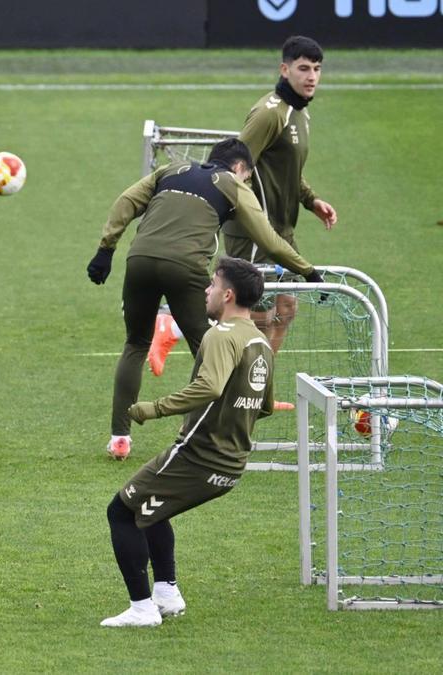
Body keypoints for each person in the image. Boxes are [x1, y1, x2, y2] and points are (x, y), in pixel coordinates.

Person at [87, 139, 322, 461]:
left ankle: (119, 437)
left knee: (135, 344)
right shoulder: (233, 185)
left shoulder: (169, 170)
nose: (248, 183)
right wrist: (307, 271)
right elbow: (268, 237)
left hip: (139, 260)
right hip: (186, 269)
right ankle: (214, 434)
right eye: (248, 177)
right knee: (211, 347)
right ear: (240, 168)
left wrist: (105, 249)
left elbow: (126, 201)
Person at [100, 258, 275, 627]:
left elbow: (210, 387)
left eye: (212, 285)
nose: (207, 291)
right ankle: (167, 593)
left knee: (122, 512)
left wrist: (154, 408)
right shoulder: (260, 342)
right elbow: (267, 406)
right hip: (232, 462)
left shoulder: (220, 335)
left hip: (199, 455)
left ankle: (142, 608)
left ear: (228, 294)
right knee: (152, 509)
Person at [145, 36, 335, 375]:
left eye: (317, 69)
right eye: (303, 68)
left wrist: (311, 200)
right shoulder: (269, 114)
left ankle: (256, 386)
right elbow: (235, 166)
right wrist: (229, 213)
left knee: (287, 308)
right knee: (256, 313)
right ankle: (231, 374)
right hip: (254, 229)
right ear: (285, 69)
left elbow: (288, 170)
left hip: (282, 228)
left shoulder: (300, 116)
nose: (311, 77)